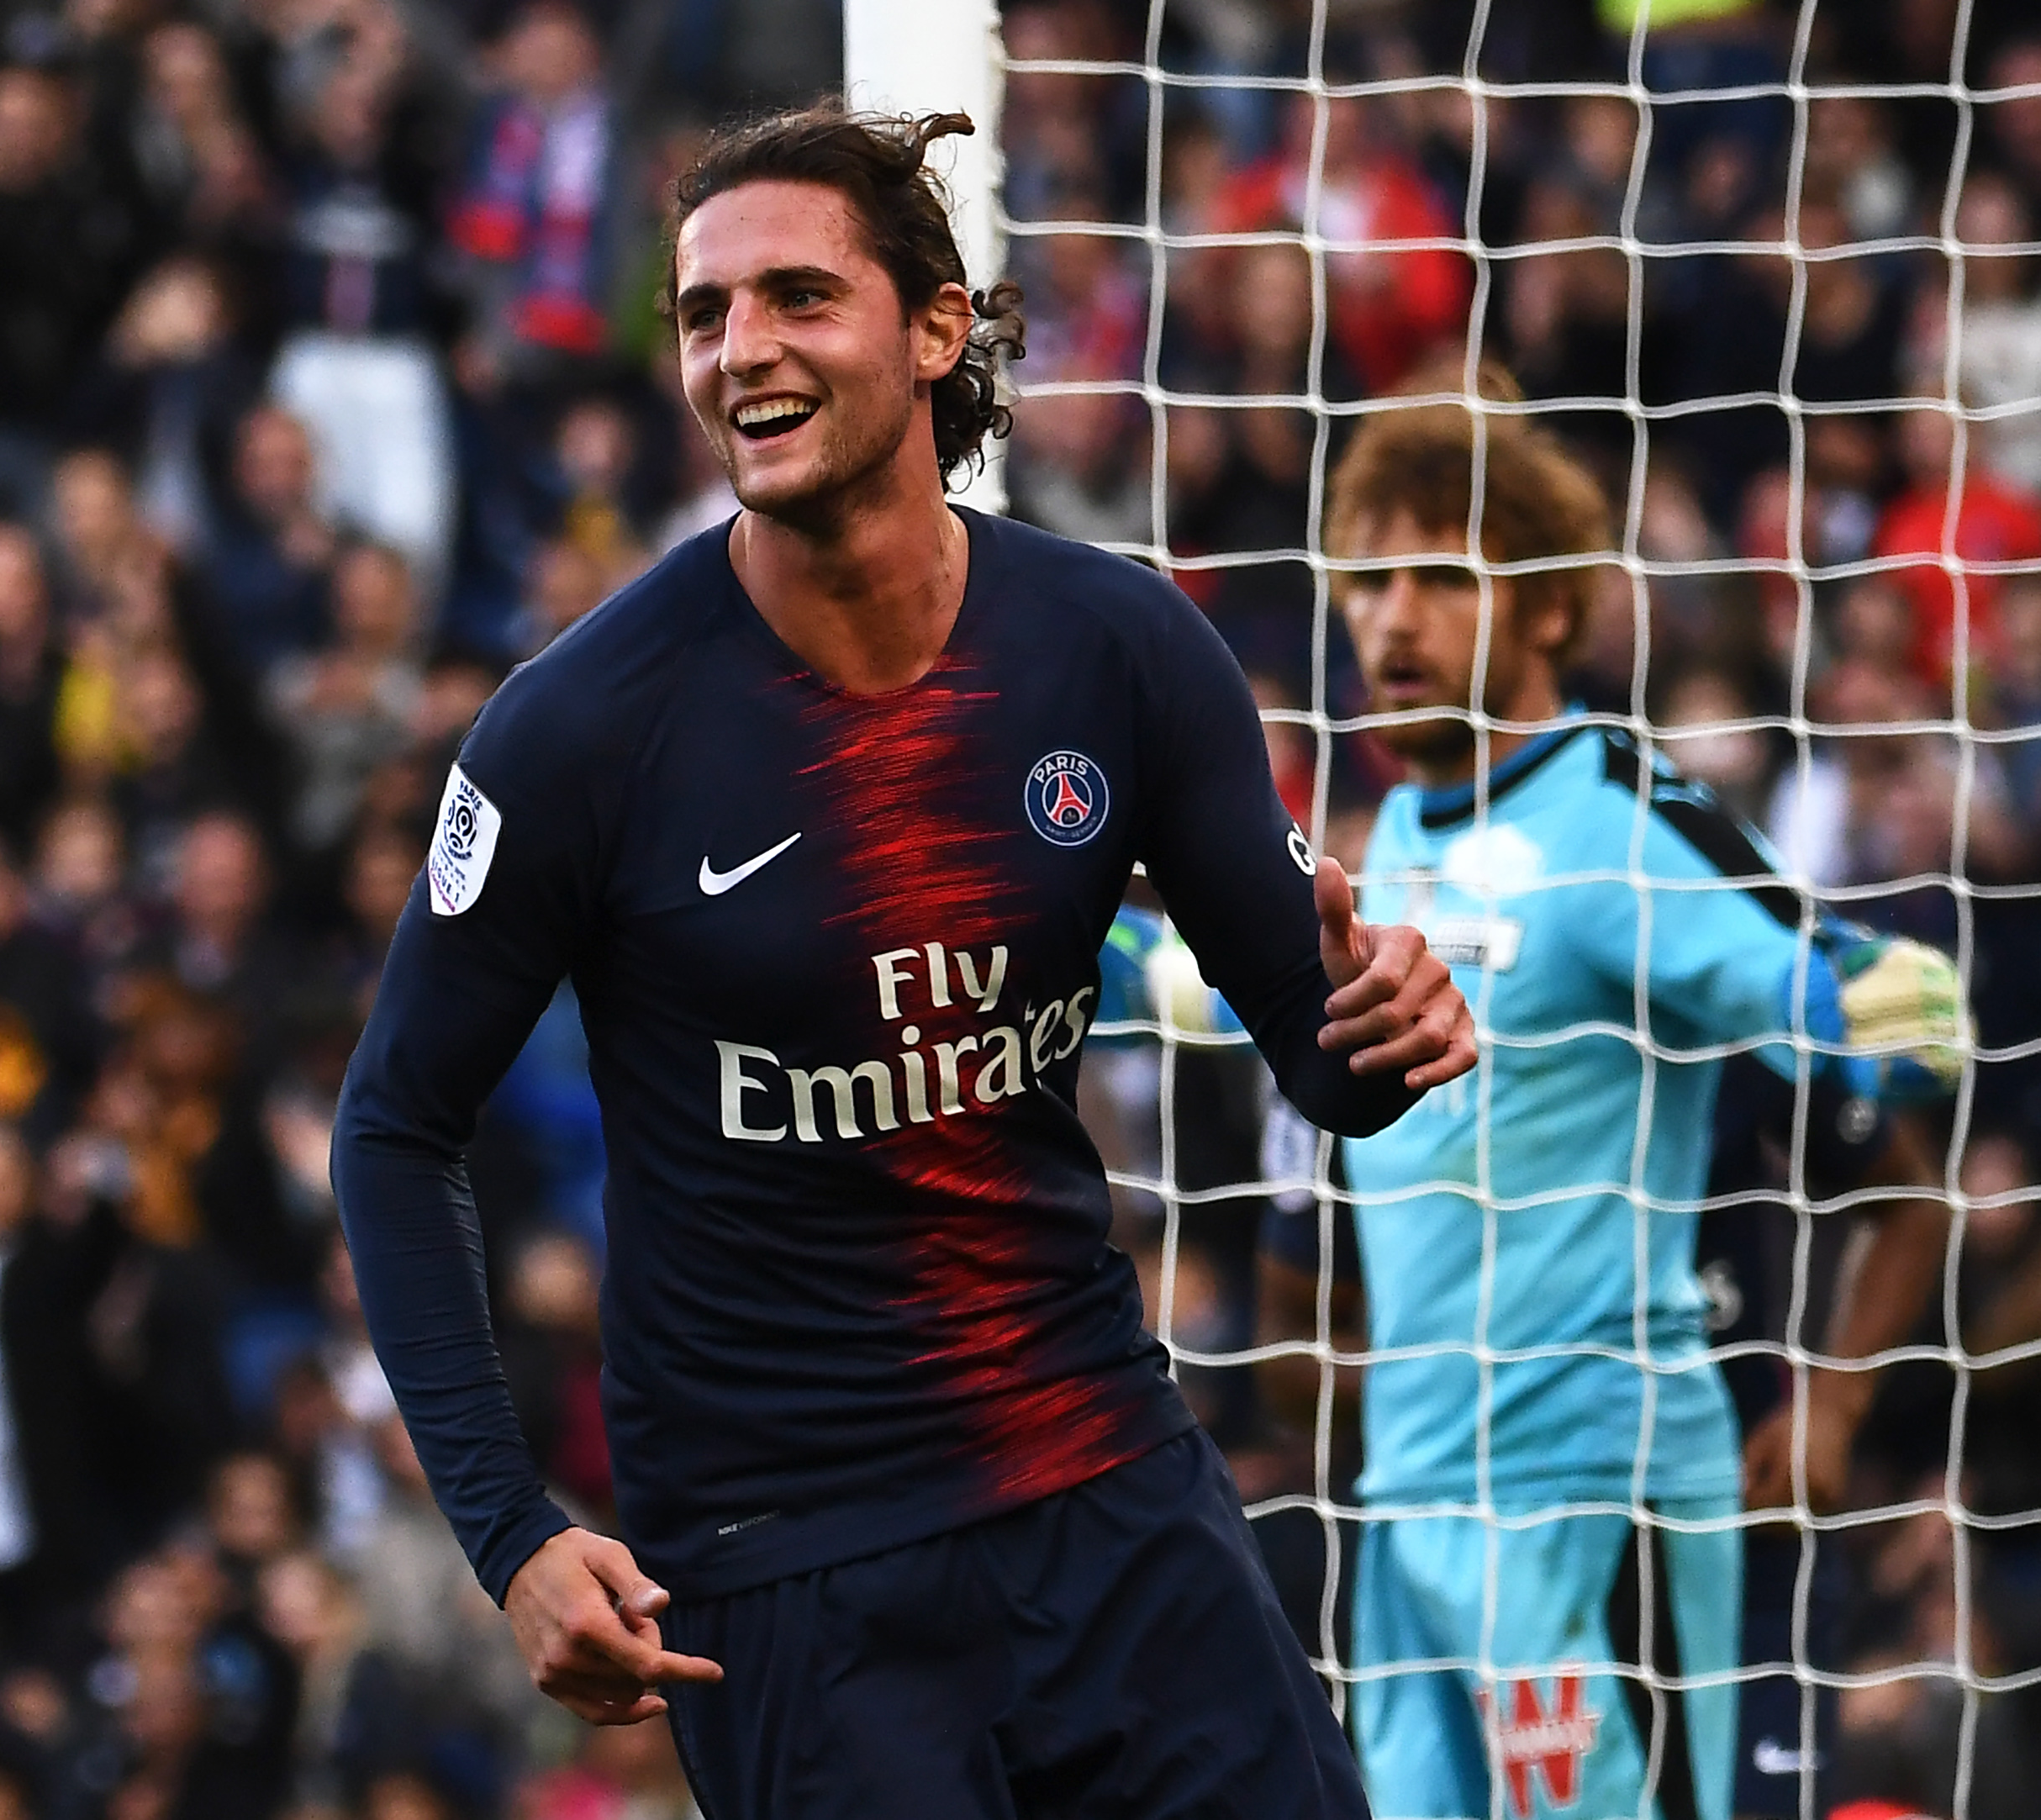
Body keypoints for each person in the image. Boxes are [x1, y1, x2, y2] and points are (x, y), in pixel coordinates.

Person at [330, 104, 1476, 1820]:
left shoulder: (1117, 650)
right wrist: (513, 1537)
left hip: (1105, 1489)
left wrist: (1380, 1026)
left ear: (940, 328)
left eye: (799, 295)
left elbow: (1321, 1061)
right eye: (704, 313)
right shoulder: (575, 732)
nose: (741, 351)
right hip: (789, 1573)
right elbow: (393, 1128)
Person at [1324, 378, 1959, 1820]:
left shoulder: (1617, 807)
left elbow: (1818, 997)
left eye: (1439, 576)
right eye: (1369, 581)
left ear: (1547, 607)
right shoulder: (1396, 845)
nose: (1392, 617)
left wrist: (1872, 1004)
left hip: (1593, 1484)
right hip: (1410, 1493)